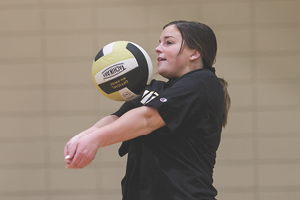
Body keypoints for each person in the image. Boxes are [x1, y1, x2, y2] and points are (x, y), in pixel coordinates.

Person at [64, 20, 231, 200]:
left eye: (168, 42)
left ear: (195, 52)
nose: (158, 48)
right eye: (159, 42)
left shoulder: (203, 82)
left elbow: (148, 119)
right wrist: (82, 138)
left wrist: (95, 140)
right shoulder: (156, 89)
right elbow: (116, 118)